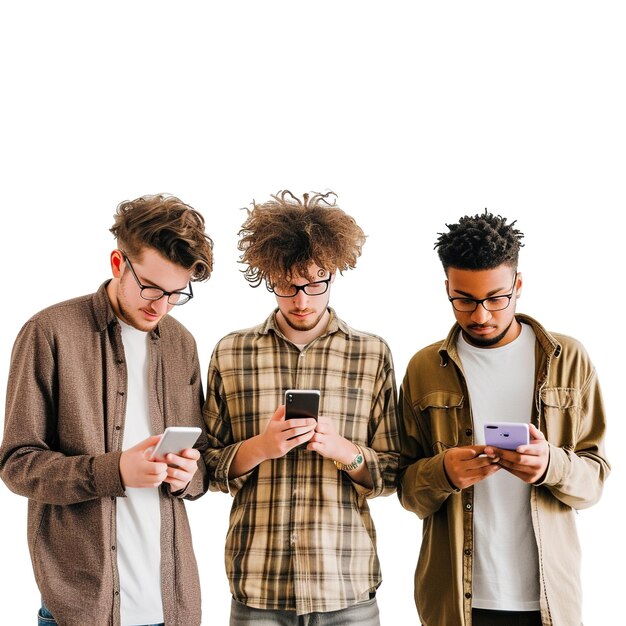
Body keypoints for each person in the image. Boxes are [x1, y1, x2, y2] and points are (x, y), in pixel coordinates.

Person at [0, 194, 214, 626]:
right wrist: (114, 471)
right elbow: (16, 464)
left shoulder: (181, 344)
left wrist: (190, 475)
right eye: (151, 287)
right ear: (118, 263)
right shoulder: (49, 332)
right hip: (81, 608)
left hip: (173, 607)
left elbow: (202, 465)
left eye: (176, 293)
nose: (162, 306)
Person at [398, 210, 610, 626]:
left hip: (547, 598)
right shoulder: (424, 367)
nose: (480, 315)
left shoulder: (569, 360)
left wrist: (552, 464)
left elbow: (595, 481)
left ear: (518, 285)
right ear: (447, 287)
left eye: (496, 298)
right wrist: (443, 472)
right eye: (464, 299)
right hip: (455, 600)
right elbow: (406, 490)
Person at [203, 190, 400, 625]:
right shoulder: (232, 352)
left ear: (334, 272)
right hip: (258, 586)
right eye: (288, 286)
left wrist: (345, 452)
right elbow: (206, 466)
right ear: (267, 275)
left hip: (346, 587)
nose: (302, 300)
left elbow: (394, 471)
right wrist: (259, 447)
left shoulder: (371, 354)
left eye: (316, 283)